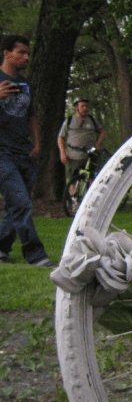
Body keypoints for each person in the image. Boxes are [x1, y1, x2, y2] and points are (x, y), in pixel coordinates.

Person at [0, 34, 55, 267]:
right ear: (7, 53)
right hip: (2, 153)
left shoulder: (26, 84)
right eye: (21, 52)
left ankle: (1, 248)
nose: (26, 57)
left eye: (28, 53)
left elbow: (31, 116)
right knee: (21, 204)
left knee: (15, 204)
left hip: (25, 152)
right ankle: (37, 255)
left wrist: (37, 144)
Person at [58, 98, 105, 187]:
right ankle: (74, 195)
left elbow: (102, 131)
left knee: (92, 179)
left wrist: (98, 144)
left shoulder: (91, 119)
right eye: (82, 106)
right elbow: (61, 137)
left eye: (86, 106)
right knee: (73, 180)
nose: (85, 108)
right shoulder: (70, 120)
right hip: (74, 155)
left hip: (89, 155)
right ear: (77, 108)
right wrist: (62, 152)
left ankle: (91, 194)